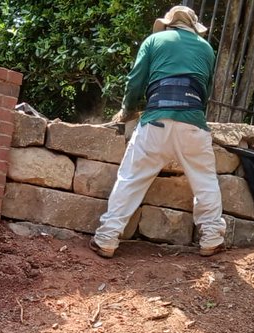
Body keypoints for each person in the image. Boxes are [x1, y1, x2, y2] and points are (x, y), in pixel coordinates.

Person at [90, 6, 226, 259]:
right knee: (205, 181)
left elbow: (136, 81)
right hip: (193, 124)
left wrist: (127, 110)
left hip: (155, 123)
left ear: (168, 24)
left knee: (131, 178)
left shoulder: (154, 40)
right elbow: (205, 90)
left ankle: (107, 238)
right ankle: (211, 238)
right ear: (193, 27)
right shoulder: (206, 48)